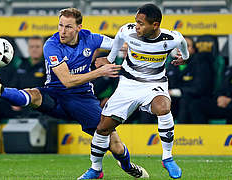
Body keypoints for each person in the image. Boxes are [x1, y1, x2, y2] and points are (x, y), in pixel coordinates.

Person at [0, 8, 148, 179]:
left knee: (115, 145)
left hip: (82, 99)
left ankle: (127, 166)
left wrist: (146, 49)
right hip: (56, 94)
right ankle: (0, 90)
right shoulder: (51, 45)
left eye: (68, 27)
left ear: (79, 28)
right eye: (60, 25)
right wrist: (100, 72)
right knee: (34, 95)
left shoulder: (90, 38)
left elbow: (121, 45)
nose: (62, 31)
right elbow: (67, 81)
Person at [80, 4, 189, 179]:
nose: (136, 26)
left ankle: (167, 157)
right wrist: (108, 59)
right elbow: (116, 42)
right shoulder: (127, 31)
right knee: (102, 128)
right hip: (128, 85)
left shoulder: (171, 39)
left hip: (154, 83)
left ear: (155, 25)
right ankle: (96, 169)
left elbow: (182, 42)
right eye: (135, 22)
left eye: (141, 23)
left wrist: (185, 57)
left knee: (163, 107)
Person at [167, 36, 214, 123]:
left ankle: (181, 134)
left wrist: (176, 92)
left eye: (186, 45)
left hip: (193, 100)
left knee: (186, 101)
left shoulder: (201, 63)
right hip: (173, 102)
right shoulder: (172, 64)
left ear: (193, 49)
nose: (181, 48)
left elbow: (199, 88)